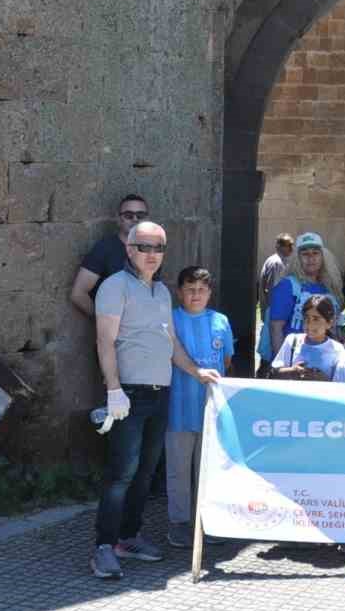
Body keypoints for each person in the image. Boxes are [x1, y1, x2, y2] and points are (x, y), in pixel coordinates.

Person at [91, 222, 220, 579]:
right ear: (129, 249)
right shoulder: (114, 286)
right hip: (128, 393)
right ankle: (103, 546)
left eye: (158, 248)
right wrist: (113, 388)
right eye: (144, 247)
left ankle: (128, 538)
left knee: (145, 474)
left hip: (160, 392)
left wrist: (197, 373)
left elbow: (172, 345)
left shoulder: (162, 292)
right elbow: (105, 341)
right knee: (121, 474)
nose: (152, 255)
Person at [165, 266, 232, 548]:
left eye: (201, 290)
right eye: (190, 289)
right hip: (177, 407)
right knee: (179, 470)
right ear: (179, 292)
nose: (196, 295)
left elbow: (226, 360)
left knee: (208, 468)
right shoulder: (171, 319)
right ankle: (179, 524)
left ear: (209, 293)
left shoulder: (220, 321)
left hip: (210, 411)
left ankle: (206, 521)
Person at [263, 231, 342, 366]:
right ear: (297, 259)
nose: (311, 258)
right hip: (296, 360)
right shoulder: (287, 286)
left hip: (326, 360)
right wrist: (283, 367)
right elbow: (276, 328)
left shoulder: (330, 287)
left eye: (315, 253)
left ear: (323, 257)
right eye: (305, 254)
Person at [70, 193, 149, 317]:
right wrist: (104, 322)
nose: (135, 219)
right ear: (119, 219)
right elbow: (78, 293)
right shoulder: (105, 248)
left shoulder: (152, 250)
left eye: (140, 215)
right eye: (128, 215)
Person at [270, 294, 343, 381]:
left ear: (329, 323)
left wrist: (324, 379)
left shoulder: (337, 350)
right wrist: (292, 371)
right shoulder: (293, 340)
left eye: (316, 319)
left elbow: (342, 384)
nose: (309, 323)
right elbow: (274, 373)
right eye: (306, 318)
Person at [257, 233, 294, 321]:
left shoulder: (273, 260)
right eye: (288, 245)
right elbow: (273, 290)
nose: (291, 249)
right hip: (275, 314)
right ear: (279, 246)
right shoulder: (277, 263)